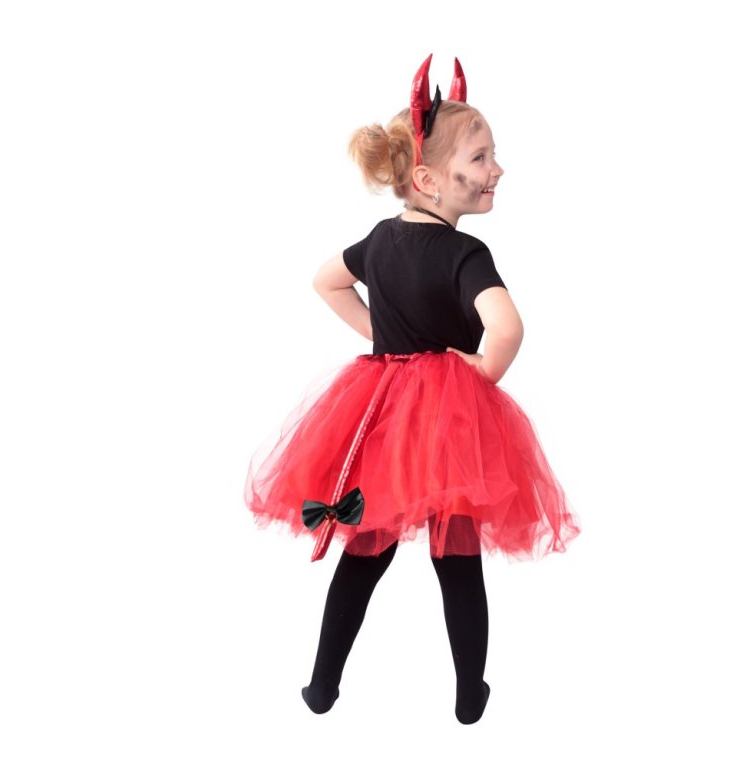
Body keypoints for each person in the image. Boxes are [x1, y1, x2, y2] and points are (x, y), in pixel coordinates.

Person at [244, 54, 580, 725]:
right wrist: (481, 370)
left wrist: (382, 336)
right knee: (457, 562)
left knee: (363, 554)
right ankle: (469, 693)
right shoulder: (465, 255)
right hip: (450, 425)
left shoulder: (379, 240)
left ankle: (322, 684)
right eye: (481, 158)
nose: (497, 170)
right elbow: (508, 328)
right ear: (428, 179)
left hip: (381, 416)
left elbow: (325, 280)